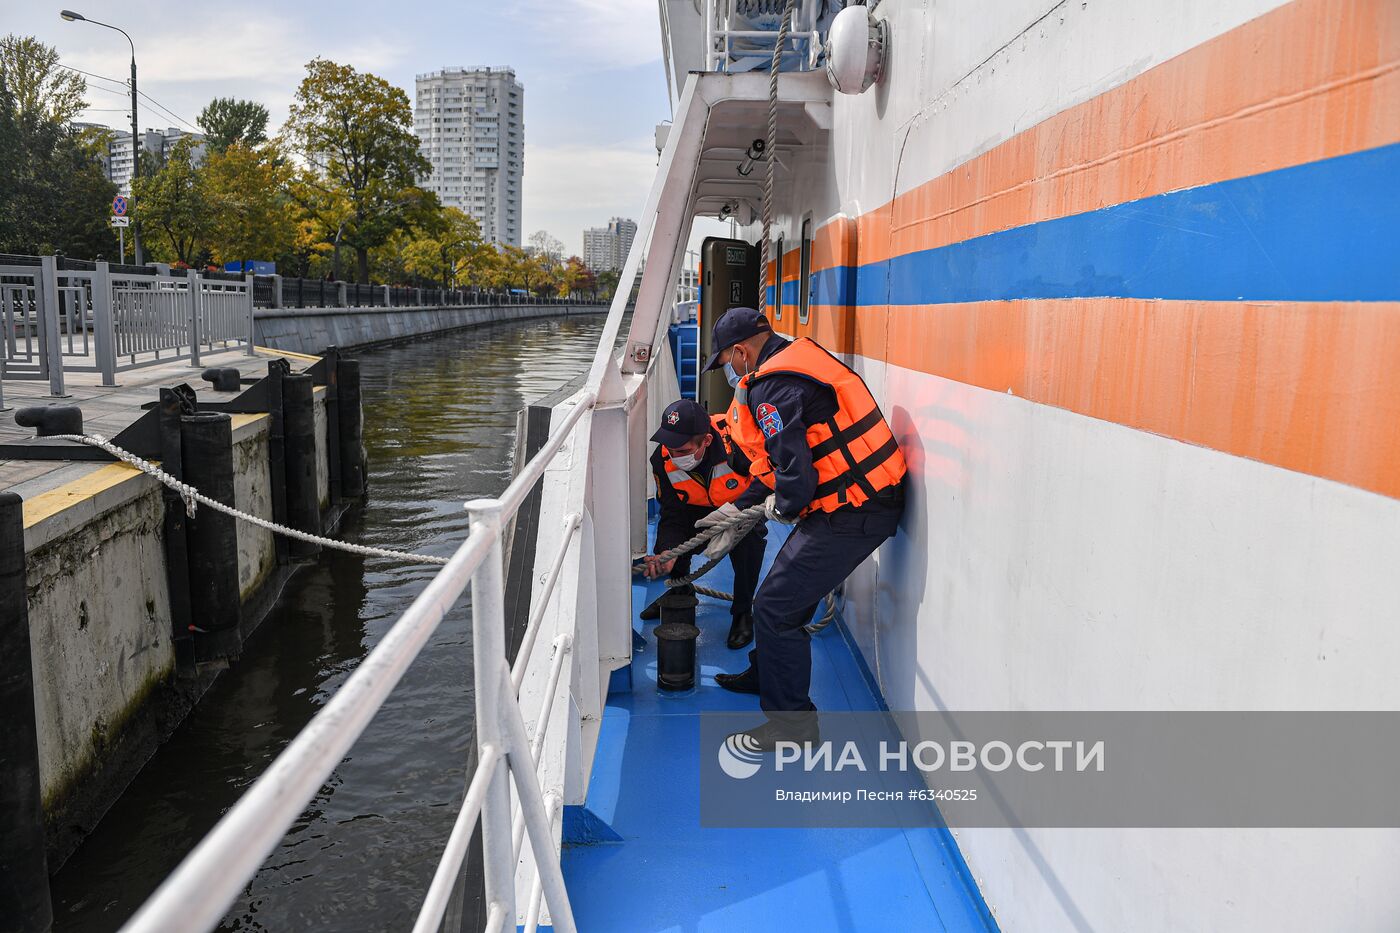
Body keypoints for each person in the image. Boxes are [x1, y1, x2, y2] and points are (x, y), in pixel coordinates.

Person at [702, 307, 907, 750]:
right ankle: (767, 676)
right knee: (774, 598)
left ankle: (792, 726)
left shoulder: (771, 388)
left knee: (774, 609)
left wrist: (785, 508)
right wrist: (740, 507)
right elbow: (785, 464)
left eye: (726, 364)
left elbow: (794, 474)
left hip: (855, 510)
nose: (729, 373)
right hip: (857, 499)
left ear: (740, 352)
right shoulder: (797, 358)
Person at [640, 399, 766, 649]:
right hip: (693, 511)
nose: (674, 456)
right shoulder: (662, 460)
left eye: (683, 450)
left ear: (706, 441)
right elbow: (672, 513)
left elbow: (766, 482)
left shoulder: (740, 445)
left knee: (750, 541)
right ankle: (680, 590)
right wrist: (667, 552)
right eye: (670, 447)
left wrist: (736, 513)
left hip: (741, 510)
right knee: (674, 542)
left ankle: (742, 613)